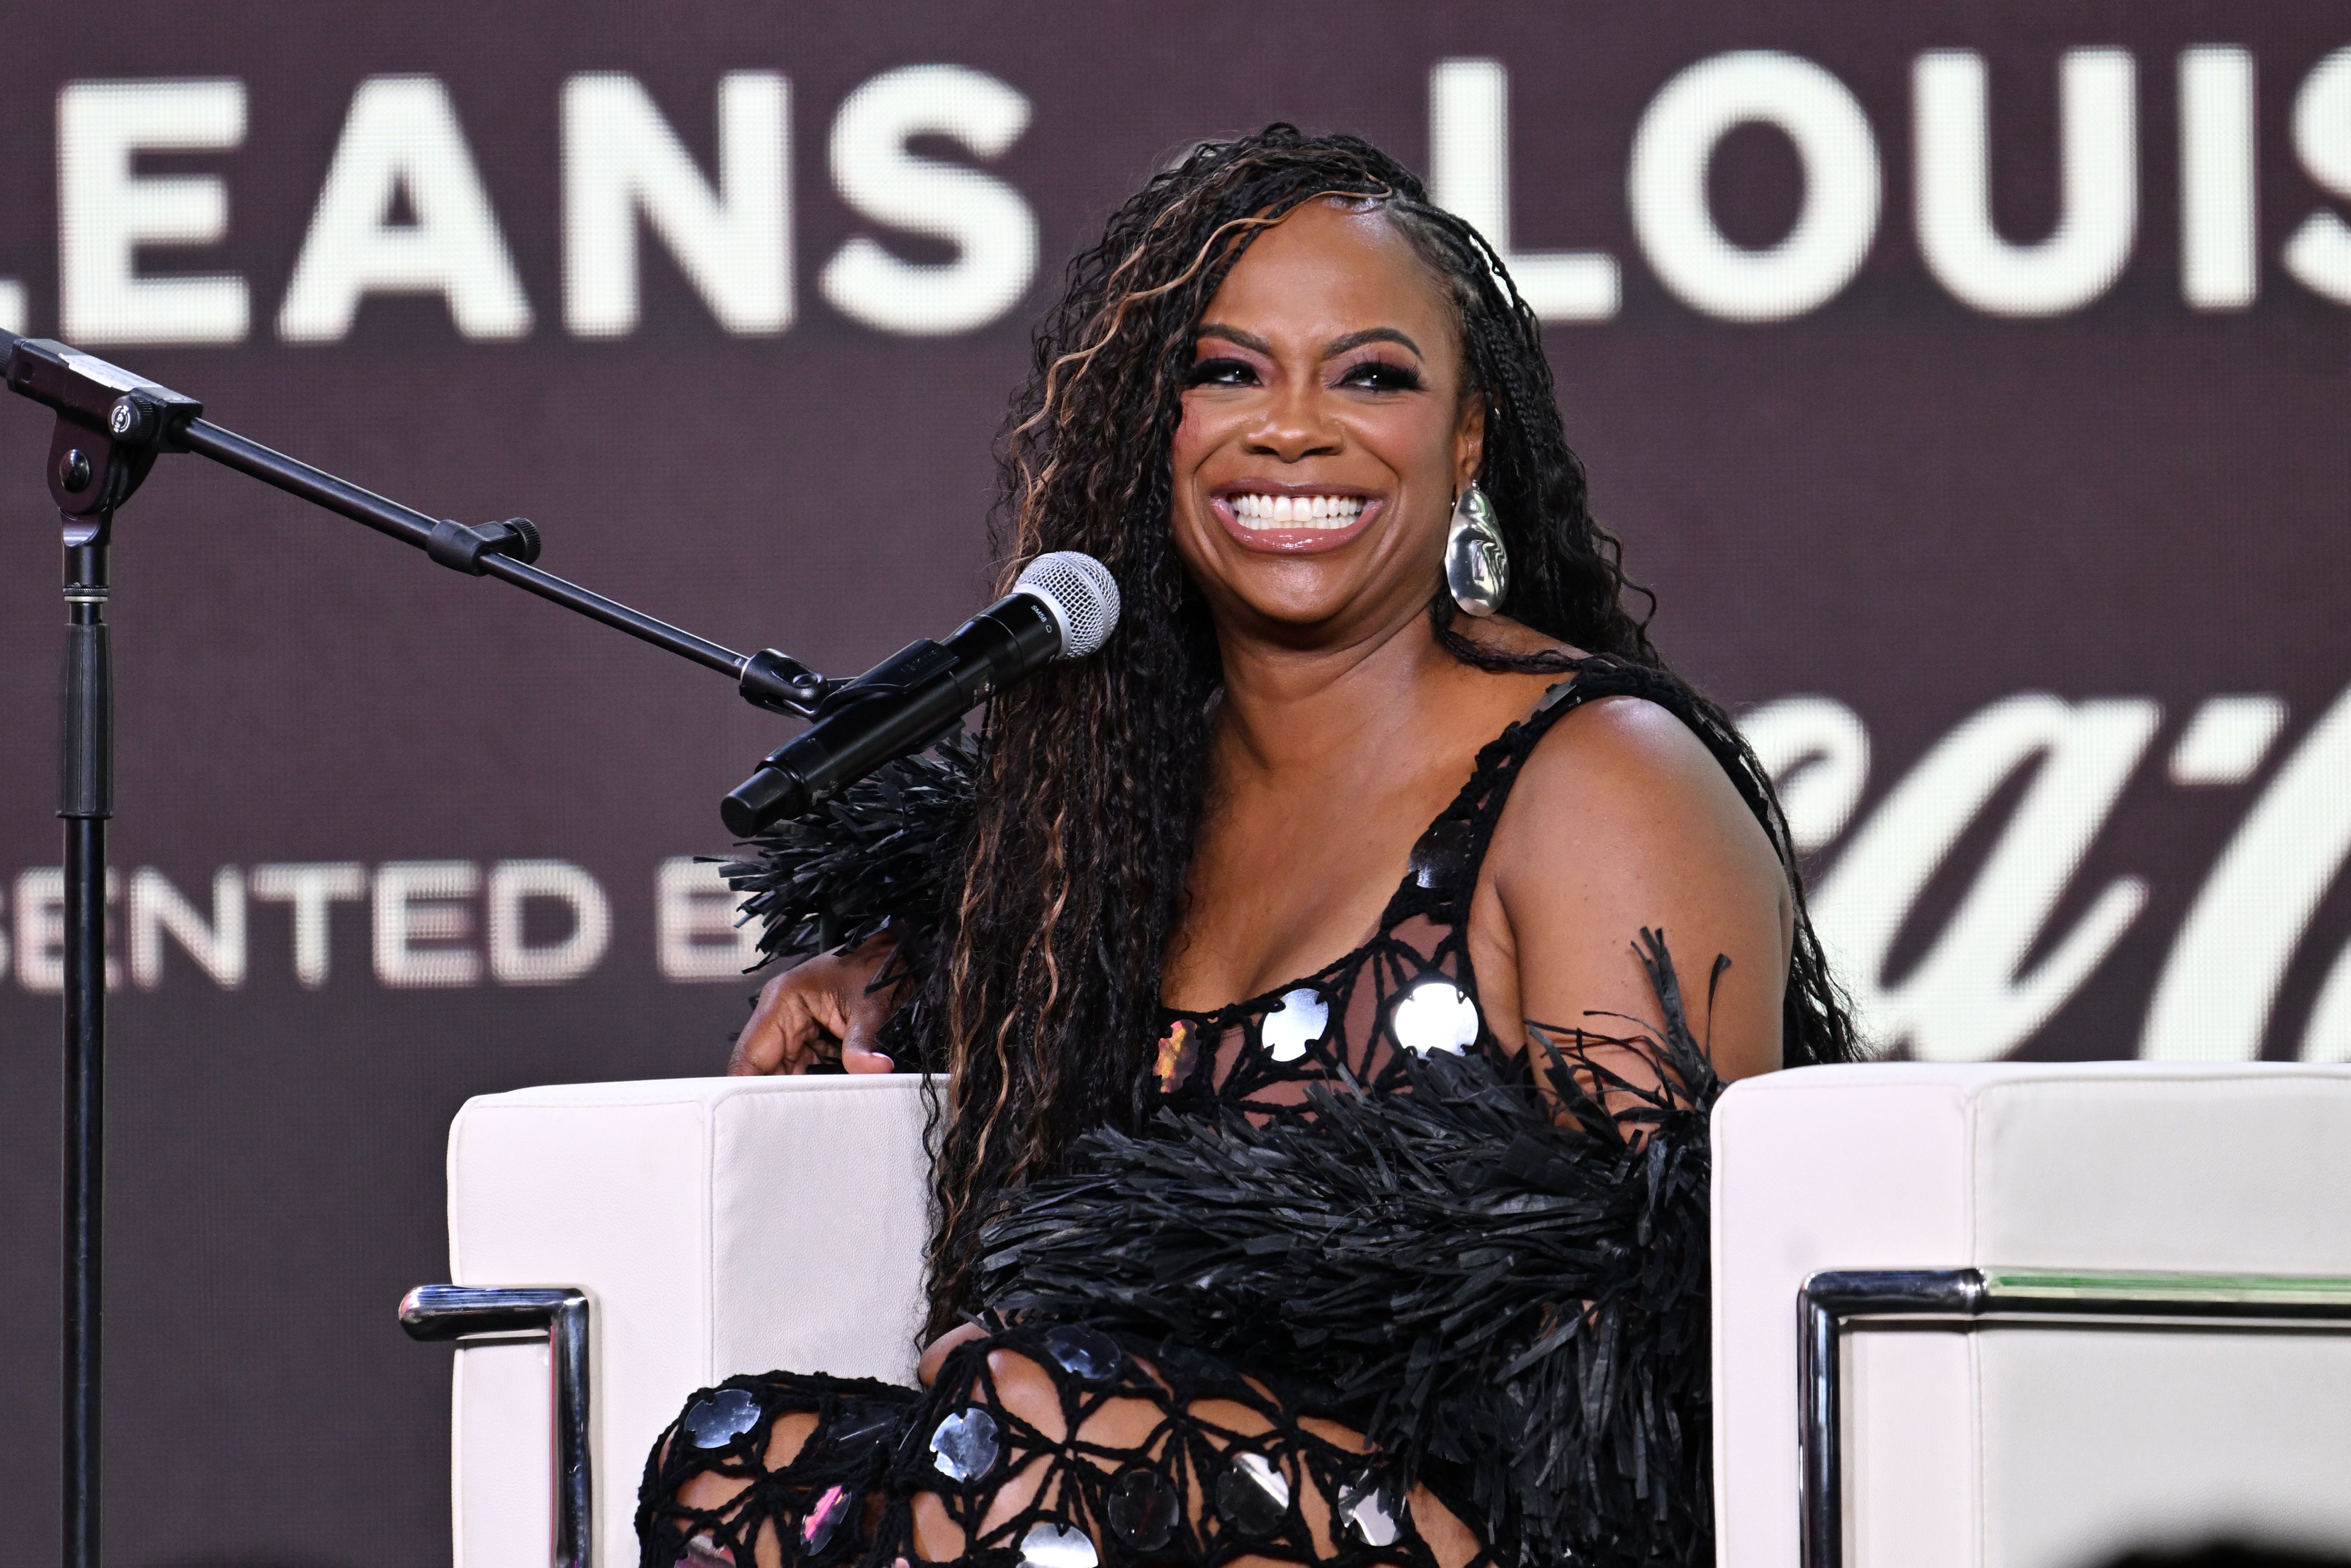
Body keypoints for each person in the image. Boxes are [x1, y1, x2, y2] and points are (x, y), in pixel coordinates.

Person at [640, 126, 1859, 1568]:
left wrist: (1150, 1359)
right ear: (1151, 432)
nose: (1295, 428)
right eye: (1229, 371)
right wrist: (879, 984)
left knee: (1037, 1431)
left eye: (1372, 375)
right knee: (734, 1466)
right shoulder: (1110, 821)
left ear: (1467, 438)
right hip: (1113, 1480)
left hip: (1524, 1534)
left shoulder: (1599, 777)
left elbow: (1676, 1356)